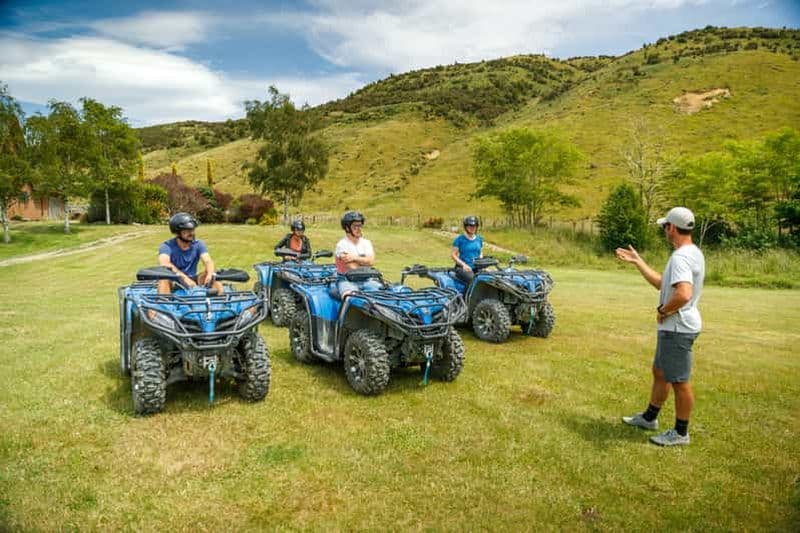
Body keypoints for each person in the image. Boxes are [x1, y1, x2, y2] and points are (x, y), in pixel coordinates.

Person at [616, 206, 705, 446]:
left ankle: (680, 433)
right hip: (678, 326)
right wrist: (638, 262)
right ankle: (649, 418)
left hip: (677, 327)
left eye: (665, 226)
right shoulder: (692, 252)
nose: (664, 230)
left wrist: (663, 310)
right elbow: (662, 284)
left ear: (672, 228)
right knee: (661, 372)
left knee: (679, 381)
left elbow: (683, 294)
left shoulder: (680, 258)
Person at [157, 213, 224, 295]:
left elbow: (207, 261)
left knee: (213, 275)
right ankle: (164, 304)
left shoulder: (199, 244)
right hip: (174, 279)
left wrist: (210, 274)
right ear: (177, 232)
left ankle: (221, 303)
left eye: (192, 230)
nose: (191, 233)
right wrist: (184, 278)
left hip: (193, 279)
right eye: (187, 231)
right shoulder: (166, 246)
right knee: (164, 279)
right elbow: (165, 264)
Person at [334, 211, 378, 298]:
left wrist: (353, 257)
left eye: (360, 226)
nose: (359, 229)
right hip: (346, 281)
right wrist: (364, 261)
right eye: (355, 226)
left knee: (383, 296)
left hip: (367, 280)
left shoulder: (366, 243)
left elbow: (371, 261)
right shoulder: (342, 245)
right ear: (347, 228)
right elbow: (352, 267)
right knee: (349, 298)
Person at [451, 215, 484, 285]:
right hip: (462, 268)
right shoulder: (459, 239)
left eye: (474, 226)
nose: (472, 228)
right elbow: (453, 255)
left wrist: (481, 263)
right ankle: (466, 296)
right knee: (474, 280)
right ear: (466, 227)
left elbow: (480, 252)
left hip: (476, 267)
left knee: (489, 278)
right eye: (470, 226)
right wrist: (464, 265)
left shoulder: (479, 239)